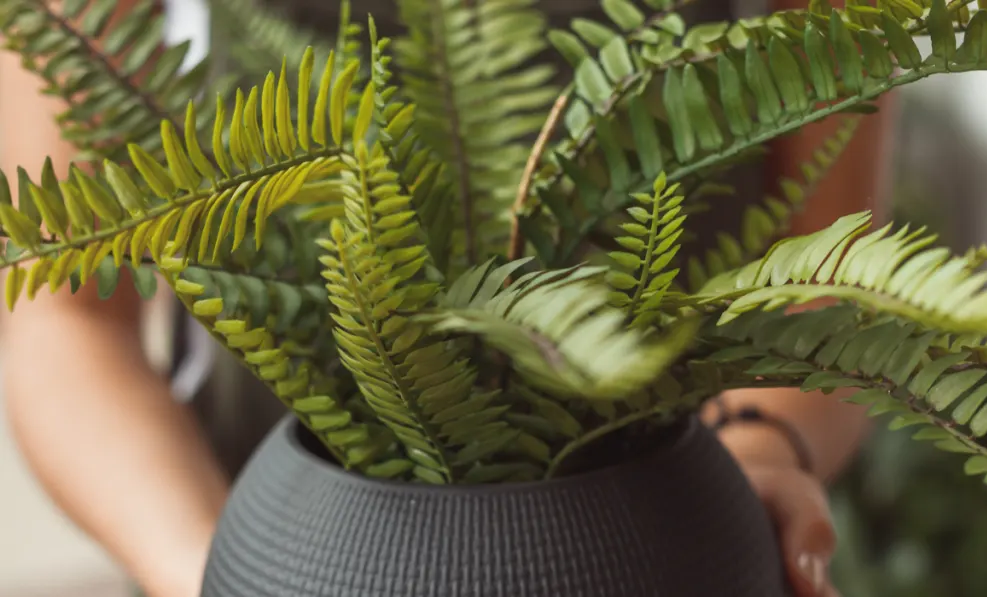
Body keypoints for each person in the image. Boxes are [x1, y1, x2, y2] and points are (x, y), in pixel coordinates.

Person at [0, 1, 895, 596]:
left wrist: (762, 444)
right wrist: (216, 570)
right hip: (255, 498)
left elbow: (833, 277)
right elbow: (61, 305)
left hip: (659, 490)